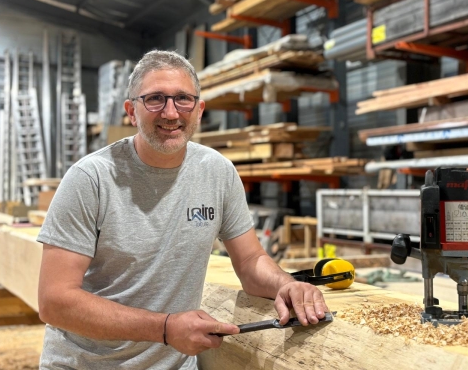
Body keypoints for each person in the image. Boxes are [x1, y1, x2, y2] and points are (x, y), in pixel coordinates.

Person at [37, 50, 330, 369]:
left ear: (199, 109)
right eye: (155, 99)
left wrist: (286, 284)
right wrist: (164, 328)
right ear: (131, 112)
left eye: (183, 99)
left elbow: (250, 261)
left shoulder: (217, 172)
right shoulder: (91, 179)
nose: (171, 112)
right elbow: (54, 302)